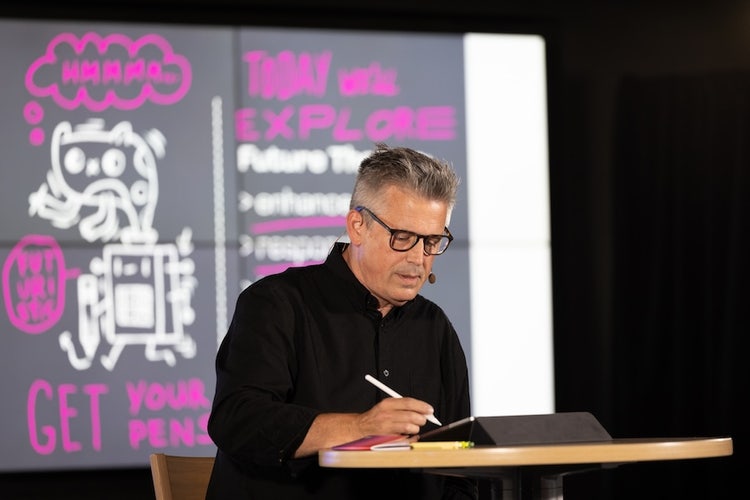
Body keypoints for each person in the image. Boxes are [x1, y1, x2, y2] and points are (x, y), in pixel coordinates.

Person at [205, 143, 477, 500]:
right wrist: (361, 427)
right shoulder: (276, 303)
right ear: (357, 226)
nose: (418, 258)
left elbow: (460, 466)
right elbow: (237, 421)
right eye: (404, 238)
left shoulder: (434, 327)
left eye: (432, 241)